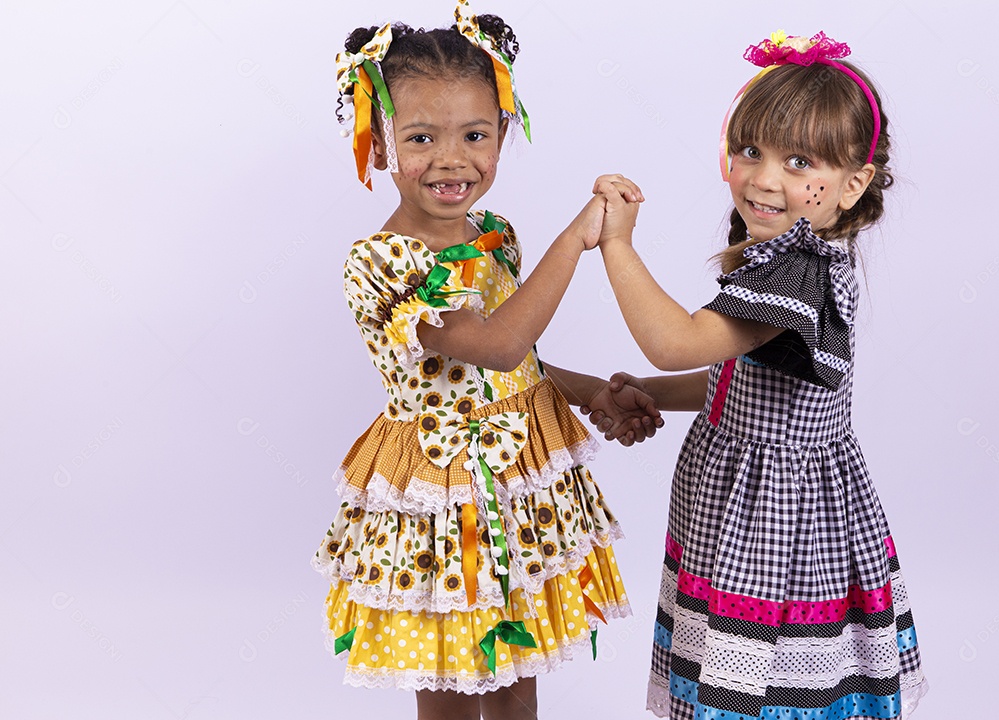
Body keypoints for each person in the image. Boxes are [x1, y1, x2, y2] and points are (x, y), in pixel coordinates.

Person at [311, 3, 658, 718]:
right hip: (441, 495)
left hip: (514, 477)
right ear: (379, 144)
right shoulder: (382, 263)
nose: (451, 158)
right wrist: (577, 240)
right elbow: (490, 342)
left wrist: (595, 391)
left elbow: (517, 358)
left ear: (503, 132)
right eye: (420, 137)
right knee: (445, 678)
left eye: (475, 134)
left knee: (514, 671)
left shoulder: (495, 235)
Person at [583, 31, 929, 720]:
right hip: (735, 502)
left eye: (799, 162)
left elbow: (673, 341)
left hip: (778, 523)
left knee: (762, 690)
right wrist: (651, 397)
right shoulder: (783, 260)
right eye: (750, 151)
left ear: (853, 183)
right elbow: (741, 386)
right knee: (729, 679)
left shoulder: (799, 274)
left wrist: (617, 245)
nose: (763, 178)